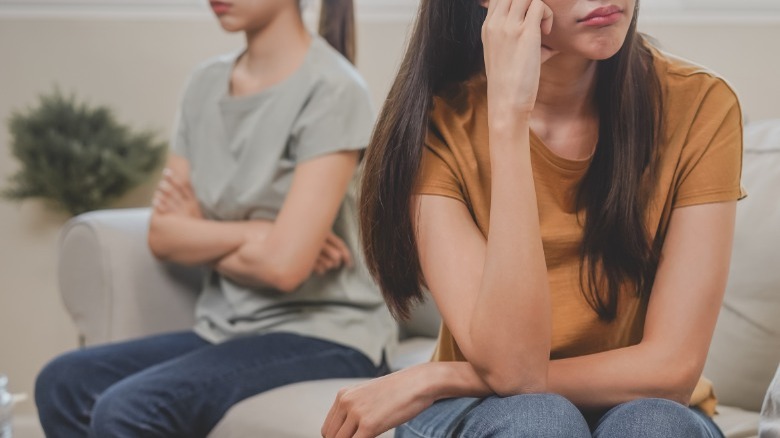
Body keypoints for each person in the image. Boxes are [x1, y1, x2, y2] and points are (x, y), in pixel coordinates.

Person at [321, 0, 745, 436]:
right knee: (539, 421)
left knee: (656, 425)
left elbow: (671, 371)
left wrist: (440, 376)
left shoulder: (701, 105)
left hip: (641, 405)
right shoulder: (435, 126)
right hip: (486, 409)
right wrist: (508, 117)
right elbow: (515, 371)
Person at [35, 0, 397, 436]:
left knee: (127, 407)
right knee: (63, 382)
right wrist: (260, 233)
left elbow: (284, 269)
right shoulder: (204, 84)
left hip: (329, 332)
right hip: (227, 327)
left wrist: (204, 234)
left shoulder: (335, 89)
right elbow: (163, 236)